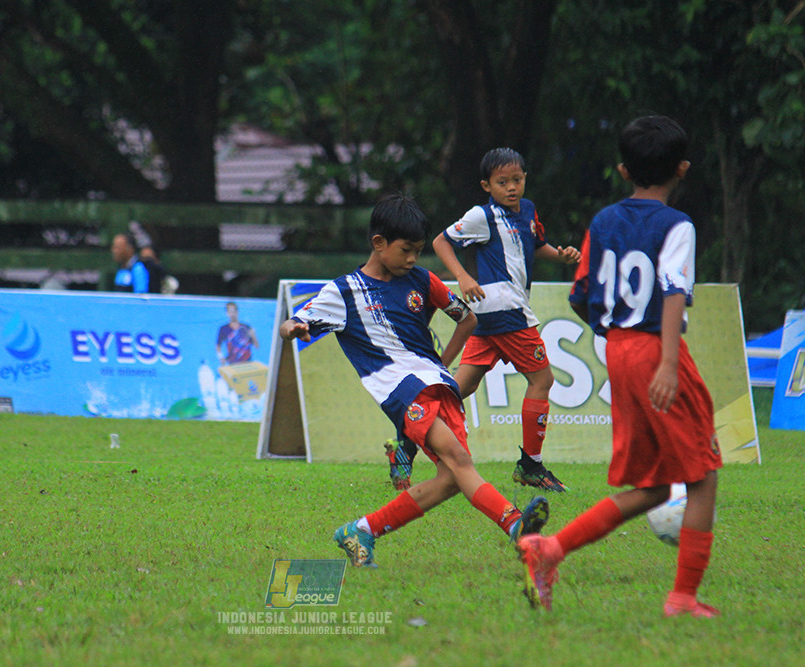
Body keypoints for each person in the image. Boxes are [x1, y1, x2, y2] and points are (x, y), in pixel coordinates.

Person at [518, 115, 722, 618]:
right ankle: (682, 598)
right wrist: (668, 363)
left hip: (619, 350)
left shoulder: (604, 221)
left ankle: (551, 550)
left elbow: (581, 295)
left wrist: (619, 340)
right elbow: (675, 289)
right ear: (683, 169)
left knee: (655, 484)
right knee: (703, 475)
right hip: (657, 350)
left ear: (622, 169)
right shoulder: (678, 225)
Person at [279, 193, 549, 568]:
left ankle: (362, 530)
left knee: (452, 478)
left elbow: (467, 318)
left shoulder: (422, 280)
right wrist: (293, 326)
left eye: (418, 251)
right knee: (458, 460)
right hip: (400, 390)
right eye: (406, 250)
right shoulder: (345, 292)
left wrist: (442, 363)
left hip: (438, 384)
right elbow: (295, 322)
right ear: (378, 243)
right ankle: (516, 525)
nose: (412, 259)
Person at [410, 147, 582, 494]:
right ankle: (531, 465)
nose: (511, 188)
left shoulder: (528, 211)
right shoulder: (482, 215)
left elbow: (534, 246)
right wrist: (462, 277)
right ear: (487, 185)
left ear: (524, 179)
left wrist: (560, 255)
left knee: (461, 387)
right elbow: (442, 241)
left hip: (491, 314)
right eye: (502, 182)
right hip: (507, 311)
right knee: (542, 380)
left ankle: (407, 433)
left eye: (516, 180)